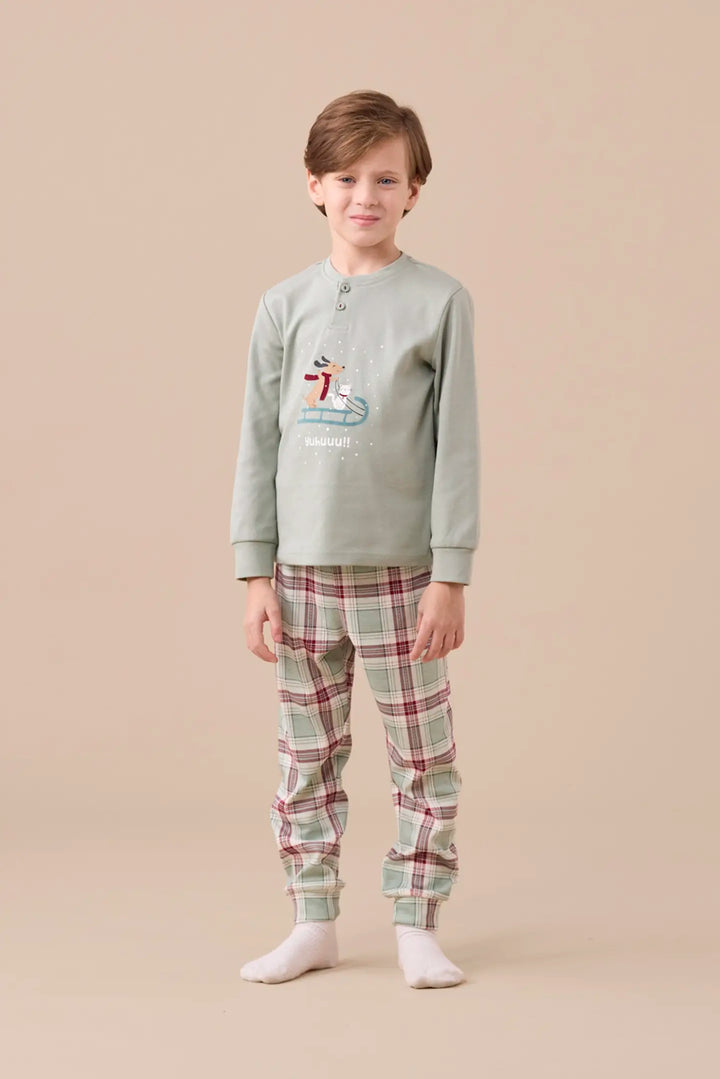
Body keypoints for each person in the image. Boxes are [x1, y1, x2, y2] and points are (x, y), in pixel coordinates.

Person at [229, 89, 480, 988]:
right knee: (306, 757)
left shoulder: (440, 302)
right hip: (300, 575)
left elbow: (457, 445)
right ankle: (313, 919)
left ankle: (417, 920)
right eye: (346, 178)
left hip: (401, 575)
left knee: (423, 757)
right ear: (314, 186)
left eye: (385, 178)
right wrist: (254, 571)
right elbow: (258, 440)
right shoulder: (283, 305)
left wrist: (449, 572)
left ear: (414, 190)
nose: (364, 195)